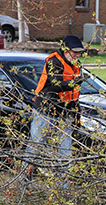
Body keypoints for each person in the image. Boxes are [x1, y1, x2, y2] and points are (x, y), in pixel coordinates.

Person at [22, 34, 86, 184]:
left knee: (66, 152)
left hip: (65, 113)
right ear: (65, 49)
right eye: (75, 52)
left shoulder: (76, 65)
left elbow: (74, 94)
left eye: (79, 52)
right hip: (45, 110)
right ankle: (24, 180)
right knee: (36, 146)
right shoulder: (53, 62)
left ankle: (63, 188)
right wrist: (74, 82)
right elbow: (56, 85)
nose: (77, 55)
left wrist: (76, 114)